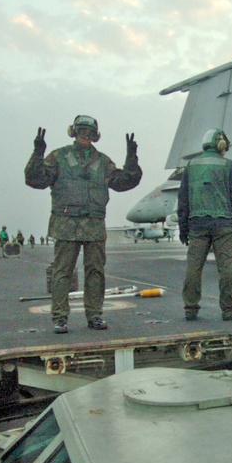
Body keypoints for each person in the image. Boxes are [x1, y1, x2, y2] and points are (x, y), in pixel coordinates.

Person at [25, 115, 142, 334]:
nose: (85, 136)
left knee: (95, 271)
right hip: (66, 223)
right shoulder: (59, 157)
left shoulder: (103, 161)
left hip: (94, 224)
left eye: (90, 133)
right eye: (81, 132)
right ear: (74, 132)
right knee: (62, 272)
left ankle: (95, 315)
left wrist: (131, 157)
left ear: (95, 136)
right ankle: (60, 317)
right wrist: (38, 153)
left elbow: (124, 182)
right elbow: (35, 179)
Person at [177, 129, 232, 322]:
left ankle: (190, 309)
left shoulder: (191, 165)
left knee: (193, 268)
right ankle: (230, 309)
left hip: (197, 225)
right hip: (223, 225)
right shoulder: (228, 165)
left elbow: (183, 201)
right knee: (226, 269)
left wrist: (183, 229)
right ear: (221, 145)